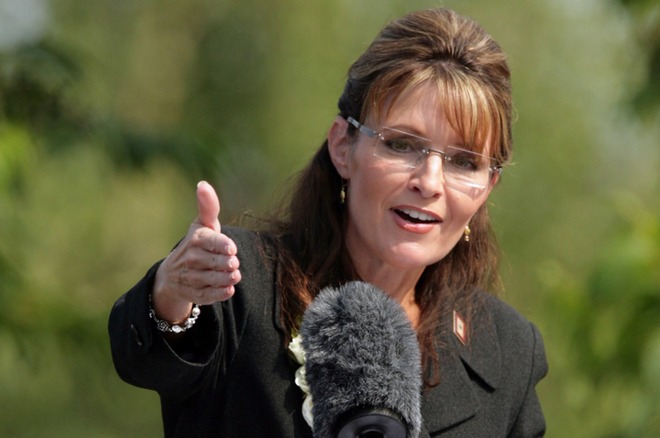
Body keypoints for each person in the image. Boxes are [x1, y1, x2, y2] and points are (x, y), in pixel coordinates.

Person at [109, 7, 547, 437]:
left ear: (488, 185)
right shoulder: (238, 280)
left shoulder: (508, 350)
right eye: (402, 145)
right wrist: (171, 296)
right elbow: (145, 357)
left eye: (463, 162)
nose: (429, 182)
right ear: (343, 147)